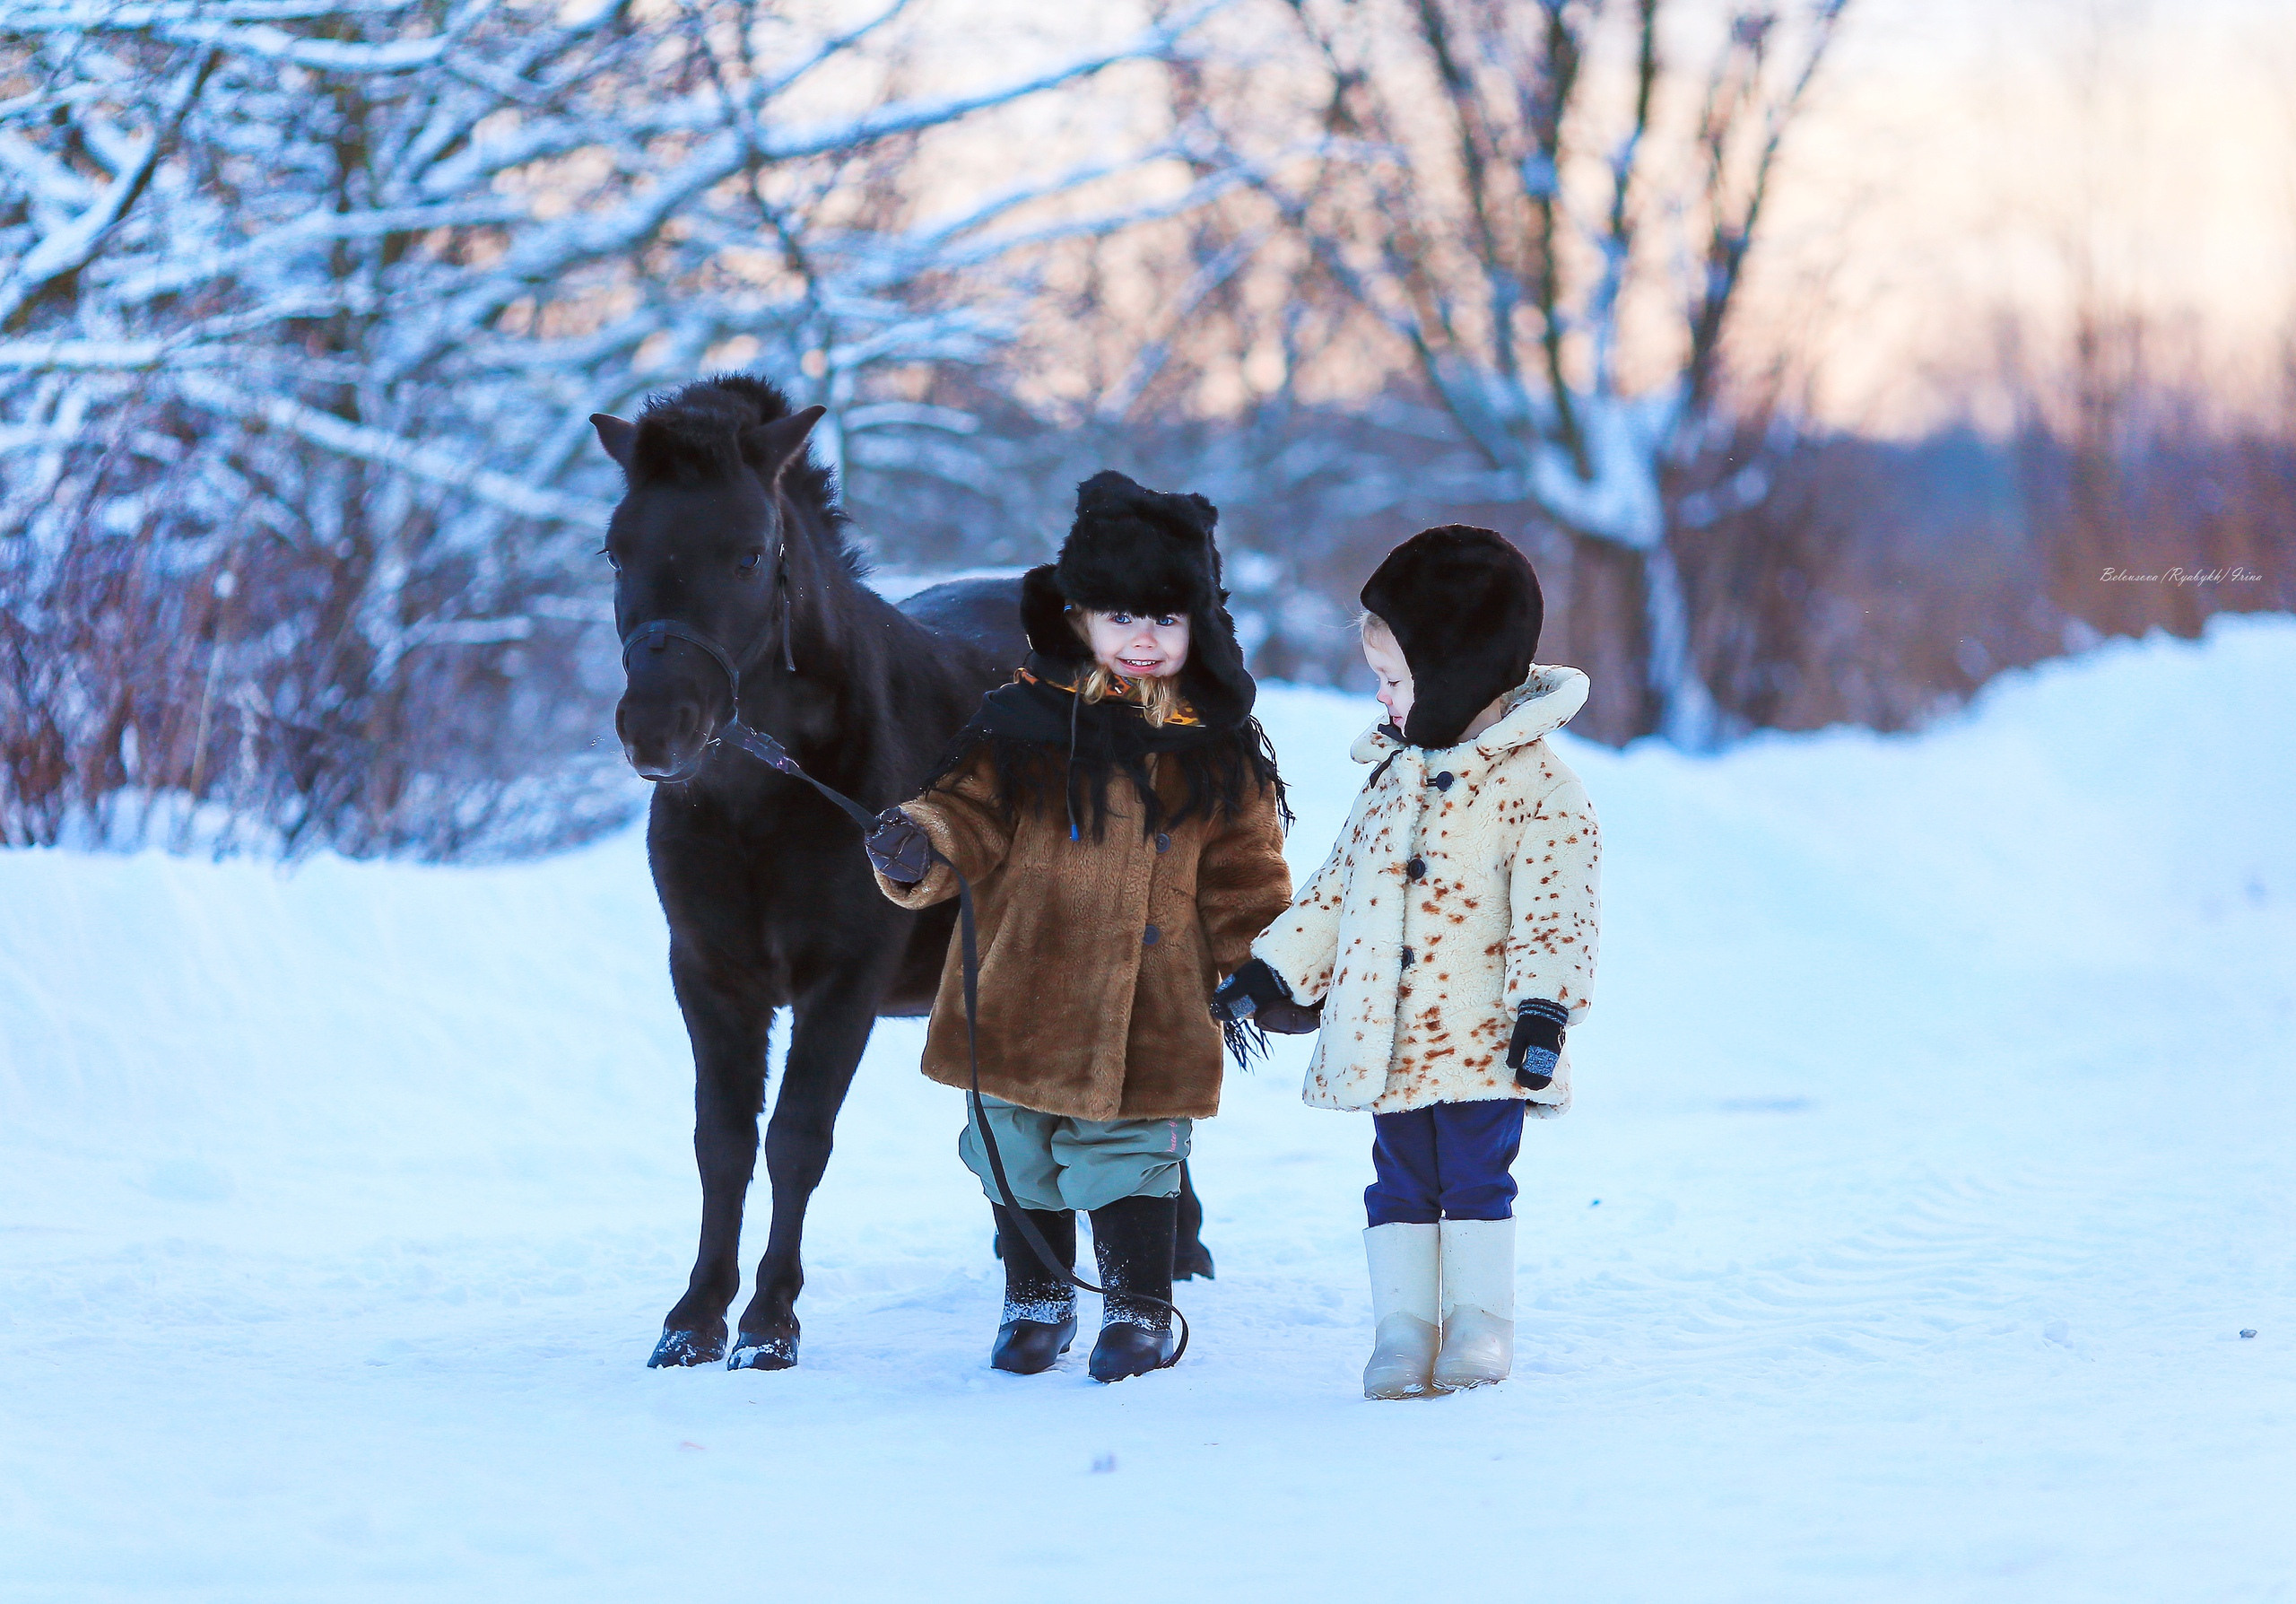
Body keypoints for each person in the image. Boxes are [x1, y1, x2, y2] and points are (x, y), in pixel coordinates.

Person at [862, 471, 1293, 1382]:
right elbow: (963, 820)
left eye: (1165, 621)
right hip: (1016, 990)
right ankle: (1037, 1300)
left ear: (1195, 630)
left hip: (1147, 1004)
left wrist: (1270, 966)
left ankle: (1138, 1306)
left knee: (1129, 1155)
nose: (1143, 639)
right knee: (1011, 1153)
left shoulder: (1217, 755)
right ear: (1079, 621)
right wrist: (917, 844)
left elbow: (1243, 879)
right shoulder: (1016, 730)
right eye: (1121, 618)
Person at [1215, 526, 1602, 1399]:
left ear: (1457, 670)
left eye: (1394, 680)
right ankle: (1403, 1330)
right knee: (1398, 1179)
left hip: (1484, 1045)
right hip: (1389, 1043)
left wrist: (1541, 1014)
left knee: (1472, 1177)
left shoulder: (1539, 791)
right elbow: (1335, 890)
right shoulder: (1390, 780)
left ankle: (1476, 1327)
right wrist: (1271, 973)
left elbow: (1558, 911)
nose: (1382, 699)